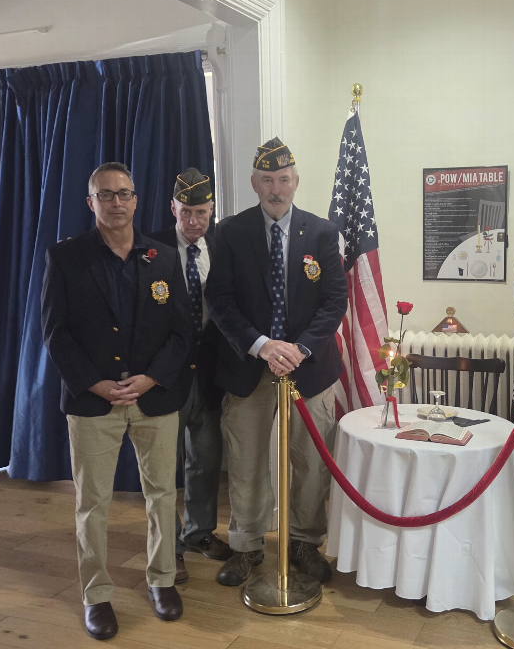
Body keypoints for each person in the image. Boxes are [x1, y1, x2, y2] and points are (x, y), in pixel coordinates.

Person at [41, 162, 190, 640]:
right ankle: (96, 594)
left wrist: (150, 378)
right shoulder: (66, 258)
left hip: (154, 397)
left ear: (136, 199)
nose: (117, 202)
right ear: (92, 203)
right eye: (106, 195)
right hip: (93, 401)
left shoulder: (164, 257)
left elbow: (183, 333)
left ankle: (162, 580)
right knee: (92, 503)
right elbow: (55, 334)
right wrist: (95, 383)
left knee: (162, 495)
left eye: (124, 193)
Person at [205, 137, 347, 588]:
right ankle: (246, 545)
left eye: (283, 179)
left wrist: (299, 349)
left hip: (310, 368)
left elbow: (335, 300)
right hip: (249, 367)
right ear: (254, 183)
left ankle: (304, 541)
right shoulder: (230, 231)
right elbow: (220, 301)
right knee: (247, 460)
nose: (276, 189)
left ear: (296, 181)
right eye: (267, 180)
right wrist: (263, 345)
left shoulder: (322, 233)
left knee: (310, 460)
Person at [148, 168, 231, 583]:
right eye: (186, 212)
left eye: (201, 212)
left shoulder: (221, 246)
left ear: (212, 210)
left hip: (211, 376)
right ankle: (169, 548)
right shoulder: (151, 248)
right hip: (167, 375)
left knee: (206, 459)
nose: (193, 220)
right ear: (173, 209)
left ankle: (198, 533)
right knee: (165, 467)